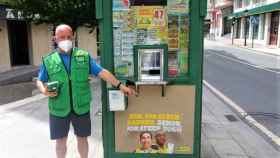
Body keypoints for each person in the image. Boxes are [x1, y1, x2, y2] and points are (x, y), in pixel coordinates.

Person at [36, 24, 135, 158]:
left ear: (73, 37)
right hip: (58, 107)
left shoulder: (83, 56)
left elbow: (101, 72)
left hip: (81, 106)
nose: (66, 40)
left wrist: (120, 86)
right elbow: (40, 80)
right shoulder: (48, 60)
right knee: (60, 140)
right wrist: (44, 90)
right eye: (62, 37)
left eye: (69, 37)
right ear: (55, 39)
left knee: (82, 138)